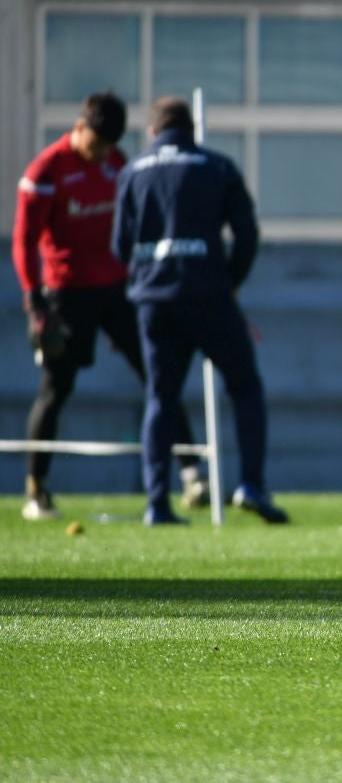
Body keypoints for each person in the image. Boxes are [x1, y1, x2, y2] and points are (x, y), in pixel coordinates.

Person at [12, 91, 207, 522]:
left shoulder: (117, 164)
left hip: (119, 291)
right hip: (66, 295)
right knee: (56, 388)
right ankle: (36, 489)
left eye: (107, 146)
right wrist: (35, 301)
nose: (100, 152)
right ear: (80, 126)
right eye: (95, 143)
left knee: (160, 375)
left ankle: (193, 474)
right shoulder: (47, 170)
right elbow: (24, 242)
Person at [112, 97, 281, 525]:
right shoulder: (217, 167)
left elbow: (119, 246)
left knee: (160, 398)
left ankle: (156, 504)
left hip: (154, 302)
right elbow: (247, 232)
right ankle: (252, 485)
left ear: (153, 132)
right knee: (244, 387)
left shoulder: (132, 172)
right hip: (209, 296)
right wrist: (232, 280)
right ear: (191, 131)